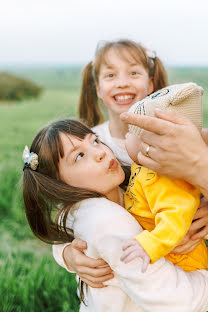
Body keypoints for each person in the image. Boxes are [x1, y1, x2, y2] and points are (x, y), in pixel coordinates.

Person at [53, 39, 208, 287]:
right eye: (111, 74)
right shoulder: (88, 146)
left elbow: (192, 185)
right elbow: (67, 213)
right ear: (98, 89)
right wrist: (65, 255)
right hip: (115, 281)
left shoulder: (174, 141)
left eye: (133, 73)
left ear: (151, 84)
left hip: (173, 270)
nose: (123, 82)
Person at [22, 118, 208, 312]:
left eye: (95, 140)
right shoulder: (108, 222)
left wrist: (65, 254)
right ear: (59, 186)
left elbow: (64, 224)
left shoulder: (125, 185)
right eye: (79, 156)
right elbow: (176, 301)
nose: (100, 152)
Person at [120, 82, 208, 272]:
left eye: (131, 133)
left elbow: (174, 219)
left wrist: (149, 245)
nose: (125, 138)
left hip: (183, 265)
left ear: (156, 146)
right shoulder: (143, 168)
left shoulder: (168, 180)